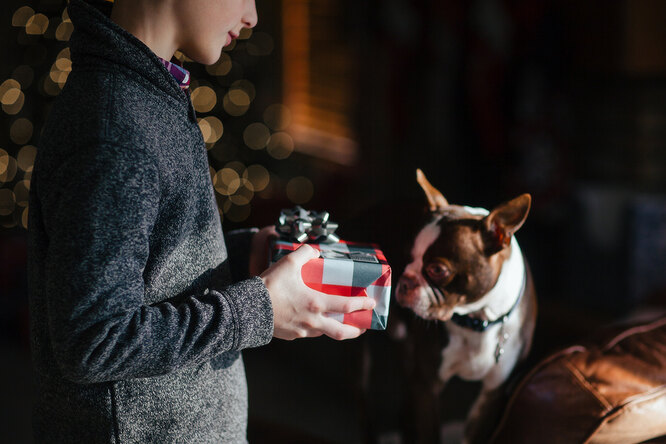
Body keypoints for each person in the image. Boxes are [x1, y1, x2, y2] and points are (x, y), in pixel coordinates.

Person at [27, 0, 376, 442]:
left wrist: (238, 255)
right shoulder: (114, 127)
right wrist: (260, 309)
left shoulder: (148, 93)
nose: (252, 16)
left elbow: (143, 267)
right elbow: (95, 340)